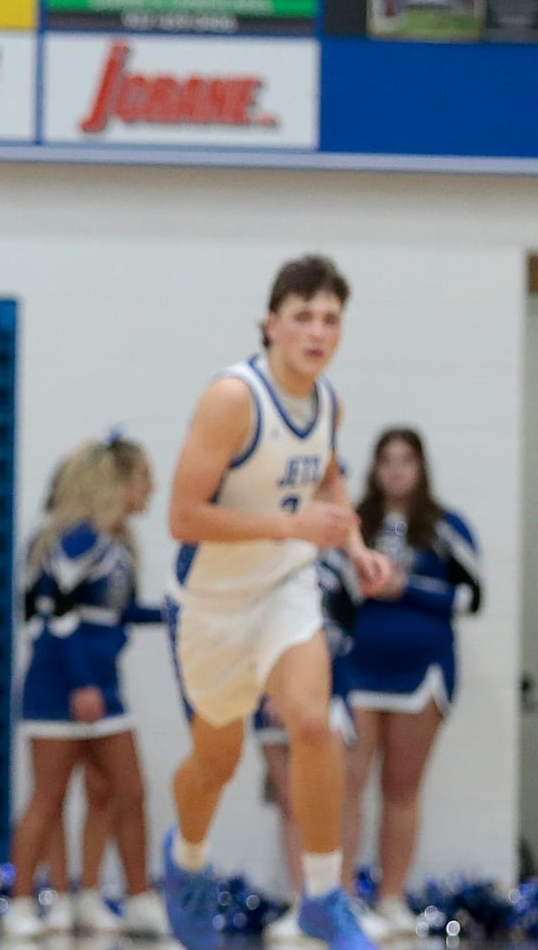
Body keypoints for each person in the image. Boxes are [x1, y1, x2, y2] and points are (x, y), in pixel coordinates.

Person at [160, 254, 392, 950]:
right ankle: (187, 859)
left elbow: (326, 481)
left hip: (287, 586)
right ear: (272, 323)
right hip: (211, 601)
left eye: (330, 318)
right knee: (216, 761)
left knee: (312, 723)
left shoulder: (328, 400)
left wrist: (355, 548)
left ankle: (323, 893)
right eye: (303, 317)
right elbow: (182, 516)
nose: (318, 331)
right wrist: (293, 525)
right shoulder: (233, 398)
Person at [2, 435, 169, 941]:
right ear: (112, 483)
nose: (151, 488)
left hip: (103, 686)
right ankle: (22, 903)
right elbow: (58, 617)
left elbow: (111, 614)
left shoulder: (115, 544)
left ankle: (120, 897)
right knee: (48, 797)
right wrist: (80, 684)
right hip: (61, 686)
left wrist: (175, 614)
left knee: (124, 790)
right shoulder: (74, 540)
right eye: (142, 477)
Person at [341, 428, 481, 939]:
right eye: (387, 460)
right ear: (375, 469)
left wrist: (407, 588)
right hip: (356, 671)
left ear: (421, 468)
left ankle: (392, 897)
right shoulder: (353, 525)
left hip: (420, 675)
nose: (396, 470)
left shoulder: (445, 526)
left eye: (406, 460)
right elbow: (323, 587)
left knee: (401, 788)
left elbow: (471, 597)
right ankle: (341, 896)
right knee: (346, 785)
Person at [256, 551, 376, 941]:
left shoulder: (338, 562)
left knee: (335, 794)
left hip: (329, 682)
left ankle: (340, 895)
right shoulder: (256, 555)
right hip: (266, 686)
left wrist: (310, 686)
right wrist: (279, 685)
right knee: (291, 799)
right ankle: (301, 900)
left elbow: (347, 629)